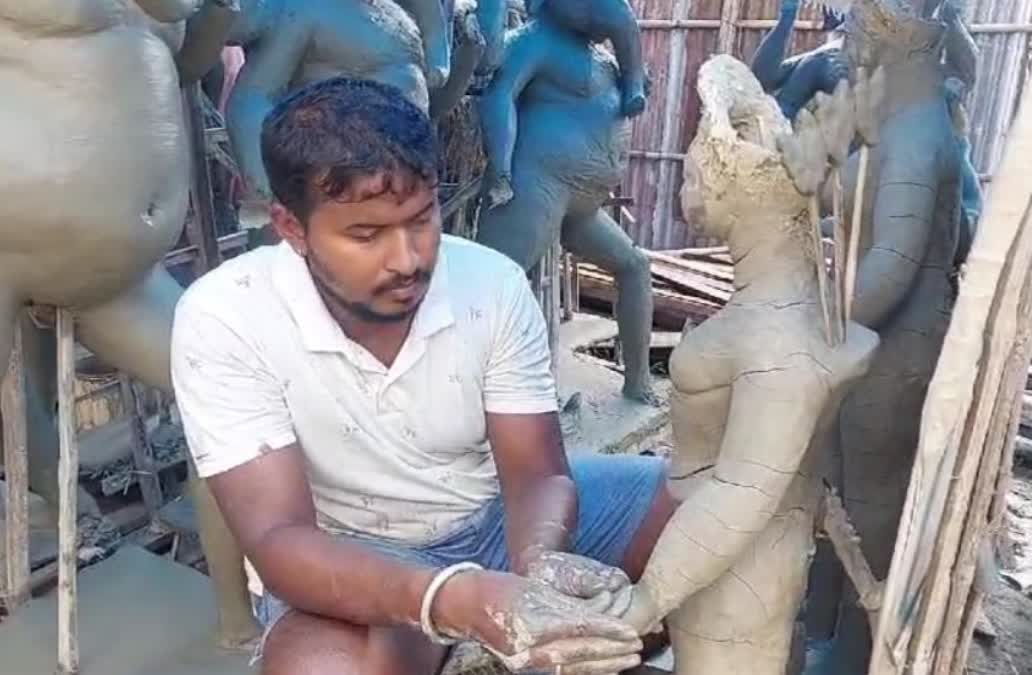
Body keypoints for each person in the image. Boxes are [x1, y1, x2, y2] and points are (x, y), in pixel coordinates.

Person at [169, 77, 678, 675]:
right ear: (291, 228)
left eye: (420, 219)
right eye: (367, 234)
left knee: (703, 499)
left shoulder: (490, 285)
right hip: (357, 552)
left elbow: (536, 473)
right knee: (321, 668)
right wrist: (456, 600)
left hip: (493, 520)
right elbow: (279, 537)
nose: (408, 259)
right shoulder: (225, 316)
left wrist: (540, 561)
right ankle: (470, 645)